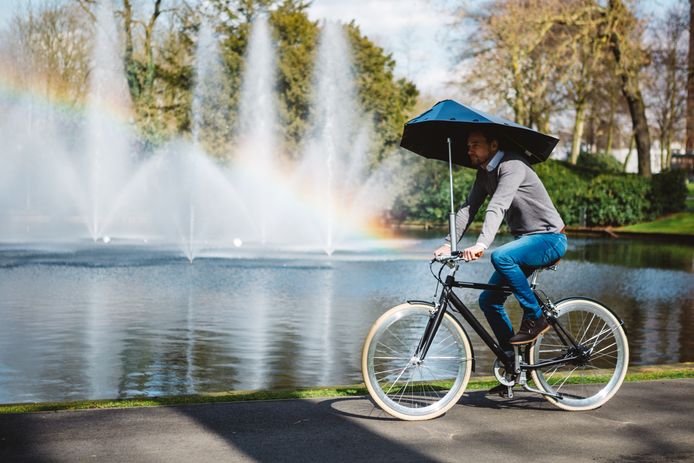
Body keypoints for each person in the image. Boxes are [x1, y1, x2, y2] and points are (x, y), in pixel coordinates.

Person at [433, 129, 567, 361]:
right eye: (468, 145)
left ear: (493, 145)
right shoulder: (484, 173)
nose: (469, 150)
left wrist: (482, 243)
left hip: (550, 238)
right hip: (526, 242)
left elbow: (498, 205)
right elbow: (468, 209)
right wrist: (448, 244)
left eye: (475, 144)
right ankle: (512, 360)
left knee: (502, 256)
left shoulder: (512, 164)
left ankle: (536, 316)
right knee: (489, 301)